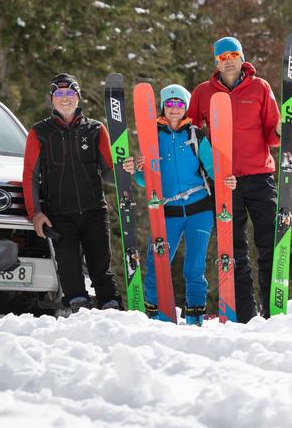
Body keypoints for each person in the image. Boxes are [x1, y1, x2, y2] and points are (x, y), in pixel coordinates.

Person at [187, 36, 281, 322]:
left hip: (260, 176)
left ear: (242, 58)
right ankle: (245, 316)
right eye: (222, 56)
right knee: (234, 251)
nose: (228, 60)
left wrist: (282, 127)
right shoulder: (203, 92)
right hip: (225, 182)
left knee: (269, 245)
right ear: (216, 61)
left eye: (233, 54)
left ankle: (272, 313)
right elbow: (190, 132)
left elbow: (272, 136)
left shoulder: (260, 87)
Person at [125, 84, 236, 325]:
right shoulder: (151, 134)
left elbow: (212, 168)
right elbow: (147, 180)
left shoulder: (196, 135)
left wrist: (227, 179)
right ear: (163, 107)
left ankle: (195, 316)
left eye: (178, 104)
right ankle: (154, 314)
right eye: (169, 104)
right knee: (157, 263)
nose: (174, 109)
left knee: (194, 266)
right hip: (168, 210)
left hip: (200, 208)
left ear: (185, 107)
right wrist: (137, 170)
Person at [22, 73, 121, 313]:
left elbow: (109, 174)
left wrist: (123, 169)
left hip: (94, 211)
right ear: (52, 99)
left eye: (69, 94)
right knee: (69, 268)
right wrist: (35, 212)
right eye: (59, 94)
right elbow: (30, 176)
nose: (64, 99)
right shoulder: (40, 132)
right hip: (59, 215)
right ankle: (78, 311)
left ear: (78, 97)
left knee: (100, 266)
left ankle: (112, 310)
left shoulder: (96, 130)